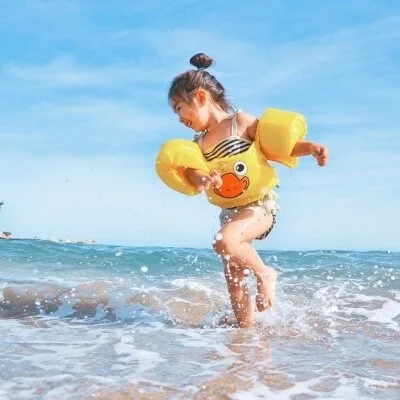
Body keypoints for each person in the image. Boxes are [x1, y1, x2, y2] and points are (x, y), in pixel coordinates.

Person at [167, 53, 329, 328]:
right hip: (229, 213)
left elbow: (279, 146)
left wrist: (311, 148)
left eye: (179, 108)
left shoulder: (240, 122)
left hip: (259, 206)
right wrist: (204, 178)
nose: (179, 118)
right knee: (234, 277)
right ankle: (245, 335)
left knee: (223, 242)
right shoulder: (198, 143)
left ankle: (265, 274)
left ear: (201, 97)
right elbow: (194, 172)